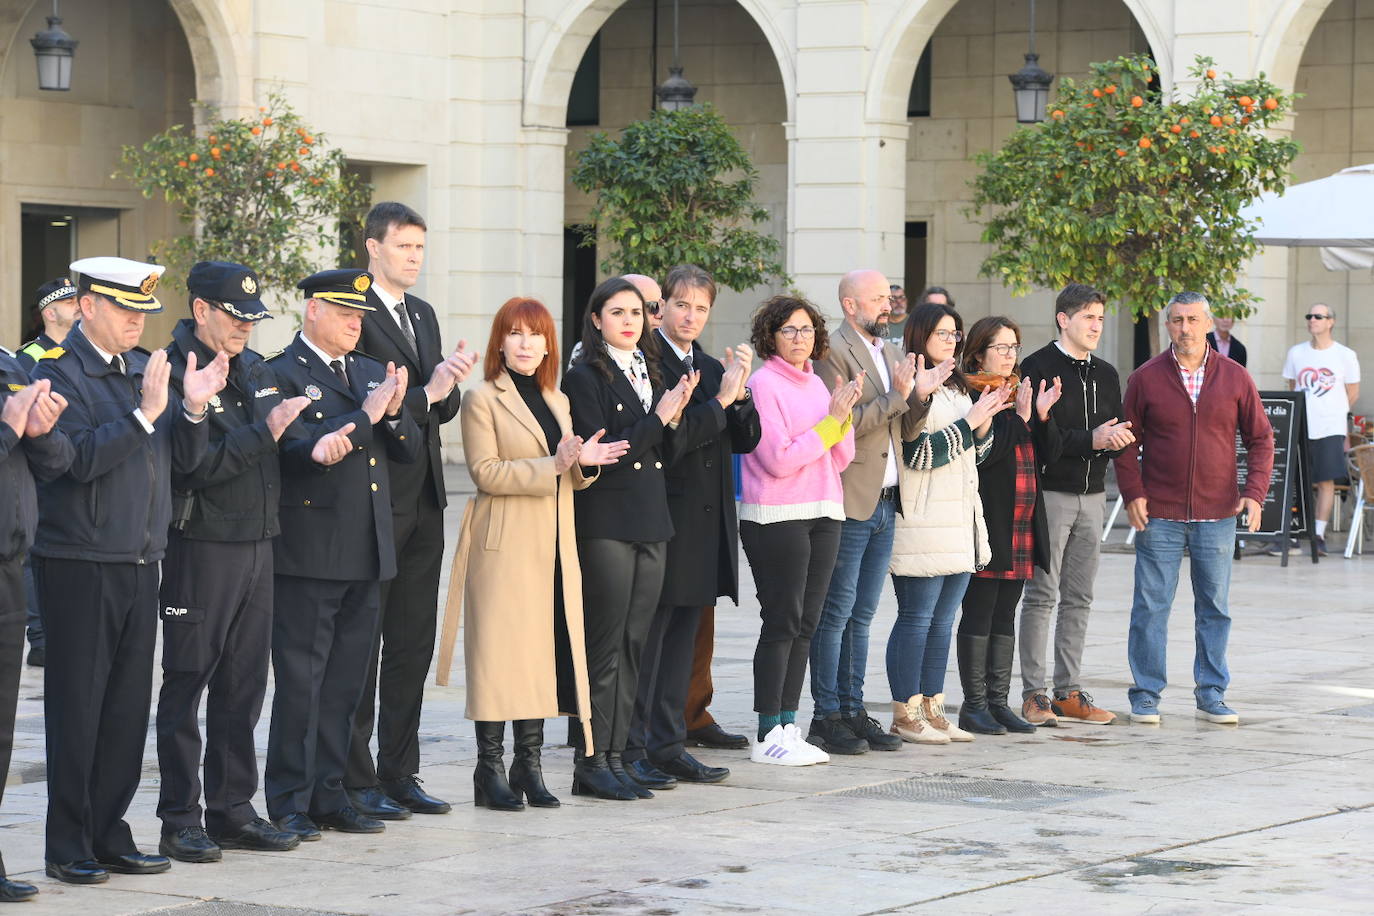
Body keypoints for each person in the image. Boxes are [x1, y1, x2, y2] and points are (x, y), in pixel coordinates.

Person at [32, 256, 226, 884]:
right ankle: (68, 844)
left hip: (142, 560)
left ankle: (110, 833)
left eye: (143, 310)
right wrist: (145, 414)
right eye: (123, 309)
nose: (135, 322)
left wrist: (191, 411)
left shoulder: (149, 370)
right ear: (87, 307)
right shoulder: (61, 373)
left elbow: (185, 464)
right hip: (80, 564)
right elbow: (73, 461)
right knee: (78, 708)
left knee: (123, 710)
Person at [154, 261, 307, 864]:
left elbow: (276, 450)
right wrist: (262, 434)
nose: (245, 327)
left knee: (244, 687)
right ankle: (180, 818)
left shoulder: (253, 368)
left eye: (251, 318)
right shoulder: (174, 372)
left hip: (258, 543)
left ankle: (232, 808)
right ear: (201, 311)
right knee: (189, 682)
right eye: (234, 316)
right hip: (203, 547)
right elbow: (191, 467)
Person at [264, 269, 422, 840]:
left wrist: (397, 411)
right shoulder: (279, 372)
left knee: (346, 686)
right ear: (312, 312)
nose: (357, 325)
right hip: (310, 554)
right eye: (346, 314)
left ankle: (330, 795)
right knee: (302, 684)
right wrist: (369, 415)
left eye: (361, 316)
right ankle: (288, 802)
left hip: (366, 549)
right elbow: (305, 450)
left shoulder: (366, 372)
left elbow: (405, 452)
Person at [452, 297, 627, 811]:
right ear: (500, 342)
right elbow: (486, 473)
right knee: (498, 657)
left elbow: (567, 468)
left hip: (553, 542)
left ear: (549, 343)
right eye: (516, 334)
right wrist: (554, 464)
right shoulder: (480, 399)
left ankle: (528, 764)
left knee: (541, 655)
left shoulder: (556, 398)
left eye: (537, 335)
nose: (527, 344)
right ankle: (489, 768)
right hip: (503, 544)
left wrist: (584, 461)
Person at [347, 202, 474, 820]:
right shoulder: (352, 307)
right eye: (404, 247)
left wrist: (446, 385)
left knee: (412, 643)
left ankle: (401, 770)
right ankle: (355, 775)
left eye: (421, 248)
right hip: (373, 499)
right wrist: (431, 391)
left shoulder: (421, 313)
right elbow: (383, 404)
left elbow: (433, 410)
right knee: (363, 641)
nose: (414, 258)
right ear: (372, 248)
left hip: (424, 496)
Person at [624, 264, 760, 790]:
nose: (690, 316)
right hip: (662, 519)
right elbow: (670, 441)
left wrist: (740, 396)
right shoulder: (644, 363)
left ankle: (668, 743)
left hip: (705, 523)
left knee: (682, 641)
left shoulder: (707, 365)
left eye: (701, 308)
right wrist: (721, 402)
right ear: (661, 308)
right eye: (682, 305)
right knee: (650, 642)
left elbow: (745, 440)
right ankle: (634, 747)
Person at [562, 277, 693, 799]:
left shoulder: (650, 369)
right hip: (608, 523)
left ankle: (619, 756)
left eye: (637, 313)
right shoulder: (583, 376)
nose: (629, 321)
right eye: (617, 312)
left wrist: (678, 415)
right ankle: (592, 762)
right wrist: (658, 419)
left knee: (635, 644)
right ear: (596, 320)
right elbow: (609, 450)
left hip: (651, 520)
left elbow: (667, 446)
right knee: (606, 646)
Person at [1116, 291, 1273, 726]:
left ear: (1208, 323)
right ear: (1168, 325)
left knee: (1214, 607)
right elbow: (1126, 442)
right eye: (1176, 320)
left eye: (1192, 319)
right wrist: (1133, 493)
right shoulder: (1146, 378)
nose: (1184, 328)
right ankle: (1146, 694)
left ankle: (1211, 694)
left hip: (1217, 513)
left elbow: (1261, 439)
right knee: (1150, 606)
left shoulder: (1236, 377)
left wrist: (1255, 492)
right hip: (1159, 513)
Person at [807, 269, 931, 757]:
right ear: (850, 305)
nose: (888, 303)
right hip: (851, 496)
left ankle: (854, 708)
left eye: (890, 296)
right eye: (878, 298)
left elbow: (906, 422)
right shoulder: (833, 352)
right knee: (835, 613)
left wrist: (919, 394)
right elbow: (843, 422)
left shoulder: (893, 351)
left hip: (886, 500)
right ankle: (826, 715)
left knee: (862, 615)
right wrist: (898, 396)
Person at [738, 294, 858, 767]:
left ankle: (789, 724)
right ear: (771, 335)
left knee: (808, 623)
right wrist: (830, 424)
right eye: (788, 330)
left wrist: (841, 416)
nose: (799, 338)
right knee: (782, 620)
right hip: (776, 515)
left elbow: (841, 456)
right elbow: (779, 459)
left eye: (806, 329)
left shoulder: (817, 382)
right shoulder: (763, 384)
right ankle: (767, 730)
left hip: (825, 509)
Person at [887, 303, 1010, 746]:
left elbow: (973, 455)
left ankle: (934, 708)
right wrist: (970, 423)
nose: (952, 341)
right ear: (919, 336)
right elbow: (917, 454)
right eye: (942, 333)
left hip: (960, 519)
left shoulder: (958, 387)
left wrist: (983, 423)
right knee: (916, 618)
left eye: (955, 334)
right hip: (922, 519)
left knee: (942, 622)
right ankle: (905, 712)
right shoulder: (912, 384)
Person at [1015, 284, 1134, 727]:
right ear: (1063, 319)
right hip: (1051, 495)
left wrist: (1118, 440)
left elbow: (1115, 429)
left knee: (1080, 597)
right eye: (1088, 317)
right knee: (1042, 595)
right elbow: (1038, 440)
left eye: (1100, 318)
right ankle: (1034, 694)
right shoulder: (1037, 367)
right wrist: (1092, 440)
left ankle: (1068, 690)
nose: (1096, 326)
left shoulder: (1106, 373)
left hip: (1093, 496)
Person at [956, 317, 1062, 736]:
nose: (1009, 355)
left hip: (1022, 521)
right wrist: (1016, 416)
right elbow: (982, 456)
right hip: (990, 520)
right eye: (1000, 347)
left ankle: (998, 703)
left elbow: (1044, 457)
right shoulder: (973, 394)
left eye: (1014, 347)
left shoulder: (1015, 393)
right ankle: (974, 705)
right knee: (980, 613)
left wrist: (1037, 417)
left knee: (1005, 614)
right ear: (979, 353)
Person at [0, 348, 73, 902]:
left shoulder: (9, 364)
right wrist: (8, 427)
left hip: (8, 565)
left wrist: (42, 432)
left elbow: (51, 466)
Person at [15, 277, 75, 670]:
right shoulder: (29, 357)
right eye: (68, 302)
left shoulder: (81, 352)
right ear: (49, 312)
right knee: (33, 555)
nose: (76, 306)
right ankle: (39, 637)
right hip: (42, 467)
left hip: (74, 463)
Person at [1281, 303, 1360, 556]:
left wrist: (1333, 411)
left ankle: (1318, 533)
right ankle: (1292, 533)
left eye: (1318, 316)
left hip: (1330, 426)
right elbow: (1292, 386)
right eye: (1309, 316)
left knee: (1325, 481)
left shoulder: (1345, 355)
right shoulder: (1296, 353)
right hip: (1301, 426)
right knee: (1295, 479)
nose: (1312, 320)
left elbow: (1353, 391)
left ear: (1330, 322)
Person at [883, 284, 909, 349]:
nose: (899, 301)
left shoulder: (914, 322)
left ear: (906, 300)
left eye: (902, 297)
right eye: (893, 298)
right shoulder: (880, 323)